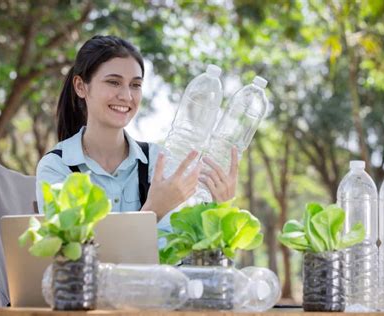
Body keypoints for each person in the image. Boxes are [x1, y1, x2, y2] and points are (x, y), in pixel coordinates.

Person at [35, 35, 239, 234]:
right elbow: (73, 257)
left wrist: (222, 207)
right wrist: (154, 211)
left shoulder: (158, 162)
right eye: (113, 82)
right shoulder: (57, 166)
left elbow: (183, 253)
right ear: (81, 86)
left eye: (135, 85)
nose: (126, 96)